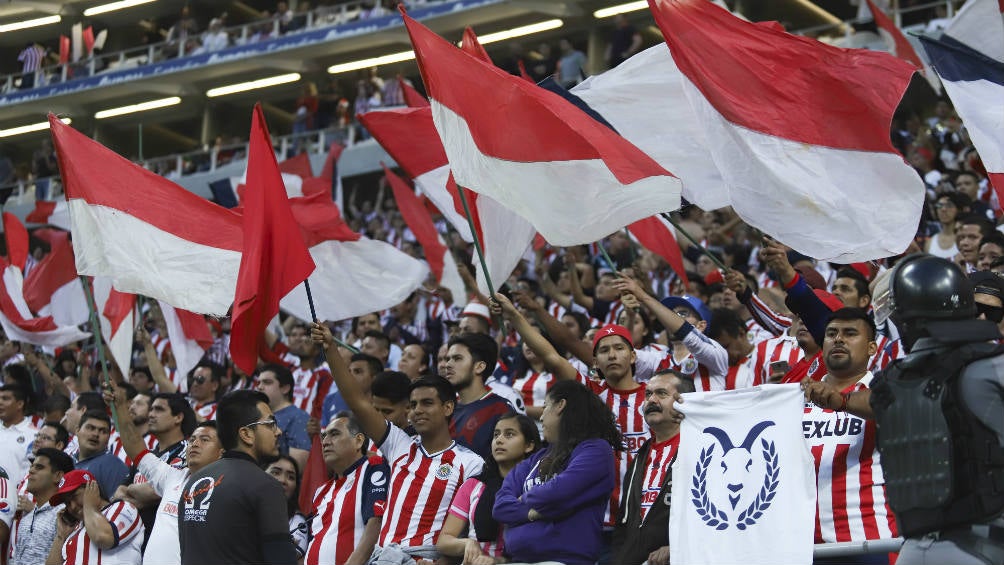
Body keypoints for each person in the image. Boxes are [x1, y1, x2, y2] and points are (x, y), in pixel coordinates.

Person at [806, 255, 1004, 563]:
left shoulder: (895, 381)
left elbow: (874, 402)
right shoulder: (990, 367)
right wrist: (841, 400)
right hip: (982, 544)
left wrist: (841, 401)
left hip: (917, 548)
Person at [311, 322, 484, 563]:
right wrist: (330, 349)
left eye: (427, 403)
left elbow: (466, 528)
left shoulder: (471, 463)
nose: (417, 411)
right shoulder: (399, 444)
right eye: (413, 405)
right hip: (383, 557)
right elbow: (357, 402)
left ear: (448, 407)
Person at [493, 380, 620, 565]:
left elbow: (559, 491)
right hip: (519, 559)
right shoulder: (535, 459)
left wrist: (523, 499)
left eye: (545, 407)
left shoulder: (596, 450)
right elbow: (500, 507)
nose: (541, 417)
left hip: (565, 560)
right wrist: (533, 513)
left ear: (560, 406)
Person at [106, 382, 222, 565]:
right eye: (192, 439)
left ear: (222, 451)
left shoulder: (226, 487)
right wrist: (120, 406)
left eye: (204, 439)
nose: (195, 444)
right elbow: (135, 447)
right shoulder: (172, 477)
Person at [177, 390, 296, 565]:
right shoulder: (265, 485)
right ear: (246, 434)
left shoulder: (193, 482)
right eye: (270, 423)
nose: (278, 431)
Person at [437, 413, 541, 564]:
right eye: (496, 435)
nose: (499, 440)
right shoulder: (473, 485)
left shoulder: (537, 484)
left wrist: (498, 561)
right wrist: (467, 544)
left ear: (529, 445)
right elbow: (444, 541)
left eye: (509, 434)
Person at [613, 370, 693, 565]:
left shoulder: (699, 450)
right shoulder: (641, 456)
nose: (651, 400)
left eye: (661, 393)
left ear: (684, 402)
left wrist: (677, 547)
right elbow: (624, 523)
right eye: (648, 394)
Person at [306, 412, 388, 565]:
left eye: (334, 434)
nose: (325, 442)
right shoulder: (321, 491)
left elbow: (376, 523)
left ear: (358, 441)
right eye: (323, 436)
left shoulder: (373, 468)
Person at [443, 332, 517, 460]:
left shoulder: (500, 409)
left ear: (479, 367)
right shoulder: (445, 409)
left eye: (457, 358)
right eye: (448, 359)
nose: (448, 364)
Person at [45, 470, 143, 565]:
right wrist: (61, 536)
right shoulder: (73, 530)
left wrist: (90, 506)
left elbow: (102, 538)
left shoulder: (122, 507)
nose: (72, 506)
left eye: (74, 496)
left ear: (93, 487)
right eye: (67, 503)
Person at [9, 448, 74, 565]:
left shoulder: (66, 515)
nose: (31, 471)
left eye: (39, 467)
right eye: (32, 466)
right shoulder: (26, 519)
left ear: (58, 476)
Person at [256, 364, 310, 469]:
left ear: (285, 388)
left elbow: (297, 466)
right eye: (259, 382)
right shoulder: (260, 416)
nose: (259, 387)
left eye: (267, 382)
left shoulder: (299, 417)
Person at [73, 410, 129, 502]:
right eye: (90, 428)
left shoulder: (112, 465)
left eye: (103, 431)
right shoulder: (68, 461)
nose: (95, 434)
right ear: (77, 430)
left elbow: (120, 508)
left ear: (108, 438)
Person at [265, 455, 309, 560]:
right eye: (276, 472)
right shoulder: (243, 509)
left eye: (291, 477)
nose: (283, 480)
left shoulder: (298, 521)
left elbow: (287, 557)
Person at [0, 384, 37, 487]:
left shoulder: (35, 435)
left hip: (16, 499)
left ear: (20, 404)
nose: (0, 402)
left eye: (5, 399)